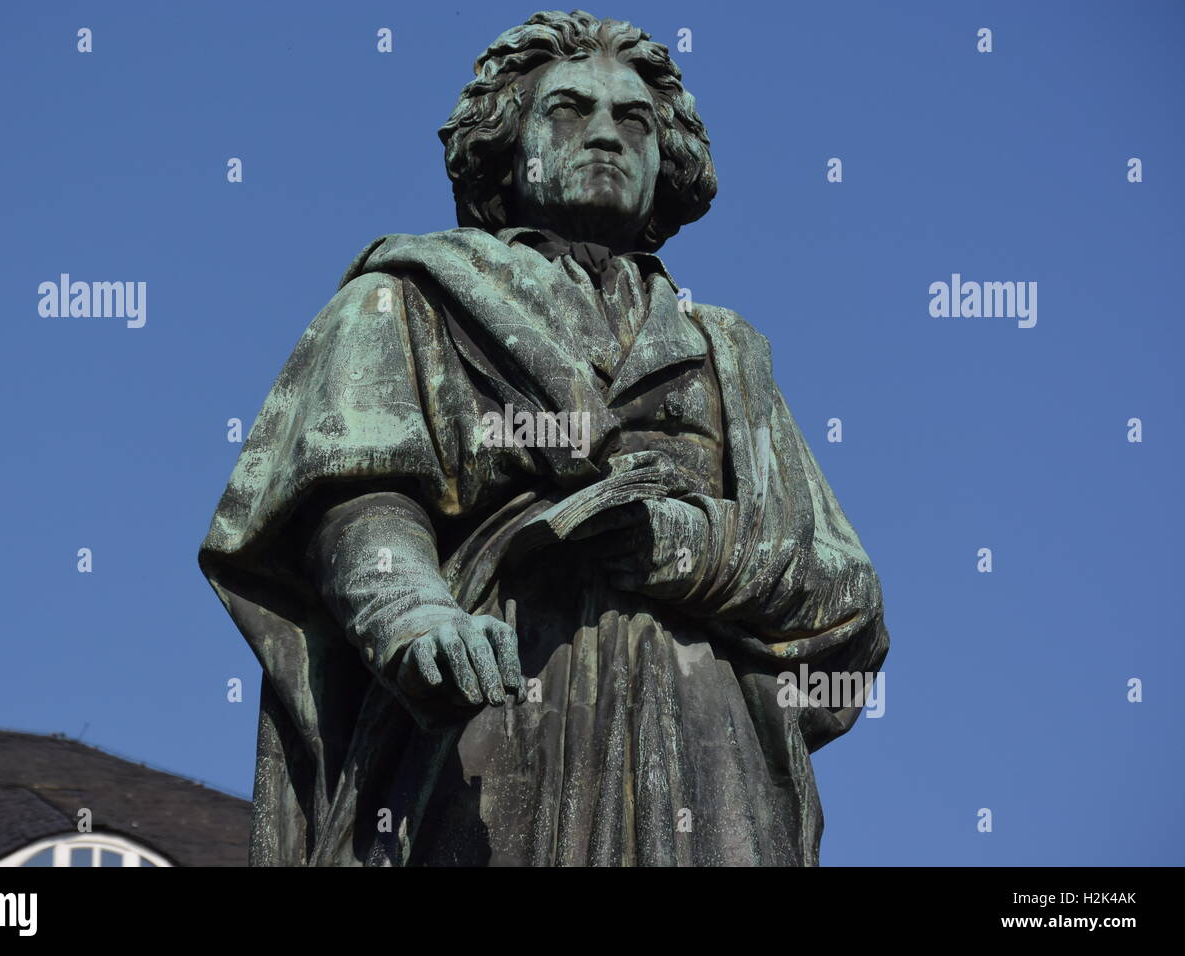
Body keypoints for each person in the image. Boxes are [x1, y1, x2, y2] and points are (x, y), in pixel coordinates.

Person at [198, 9, 889, 866]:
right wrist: (414, 617)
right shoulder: (410, 298)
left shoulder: (727, 357)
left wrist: (680, 544)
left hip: (709, 757)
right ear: (505, 143)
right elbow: (356, 502)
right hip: (497, 722)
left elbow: (848, 605)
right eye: (568, 110)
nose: (605, 132)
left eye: (633, 119)